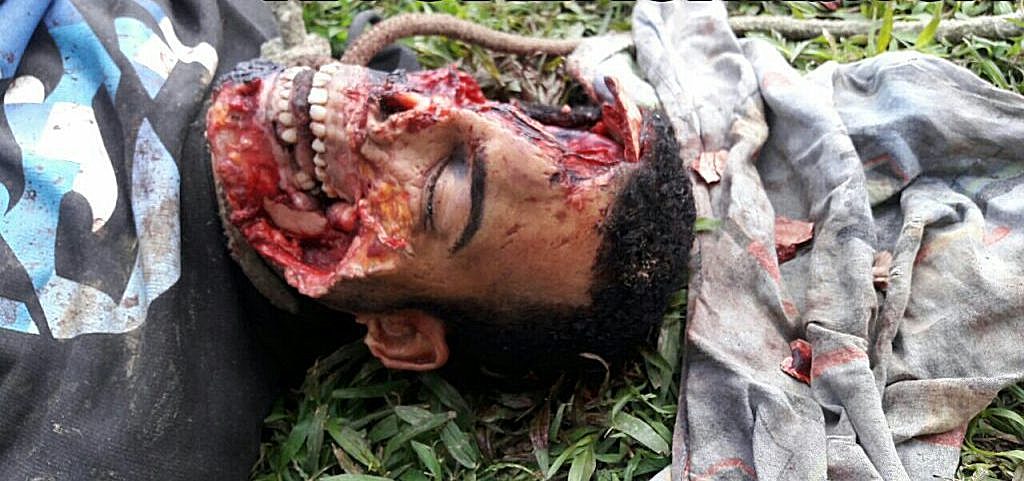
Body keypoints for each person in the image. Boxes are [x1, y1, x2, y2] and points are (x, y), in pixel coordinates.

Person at [0, 1, 354, 478]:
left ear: (405, 335)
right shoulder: (251, 29)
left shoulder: (121, 429)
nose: (380, 119)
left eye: (435, 195)